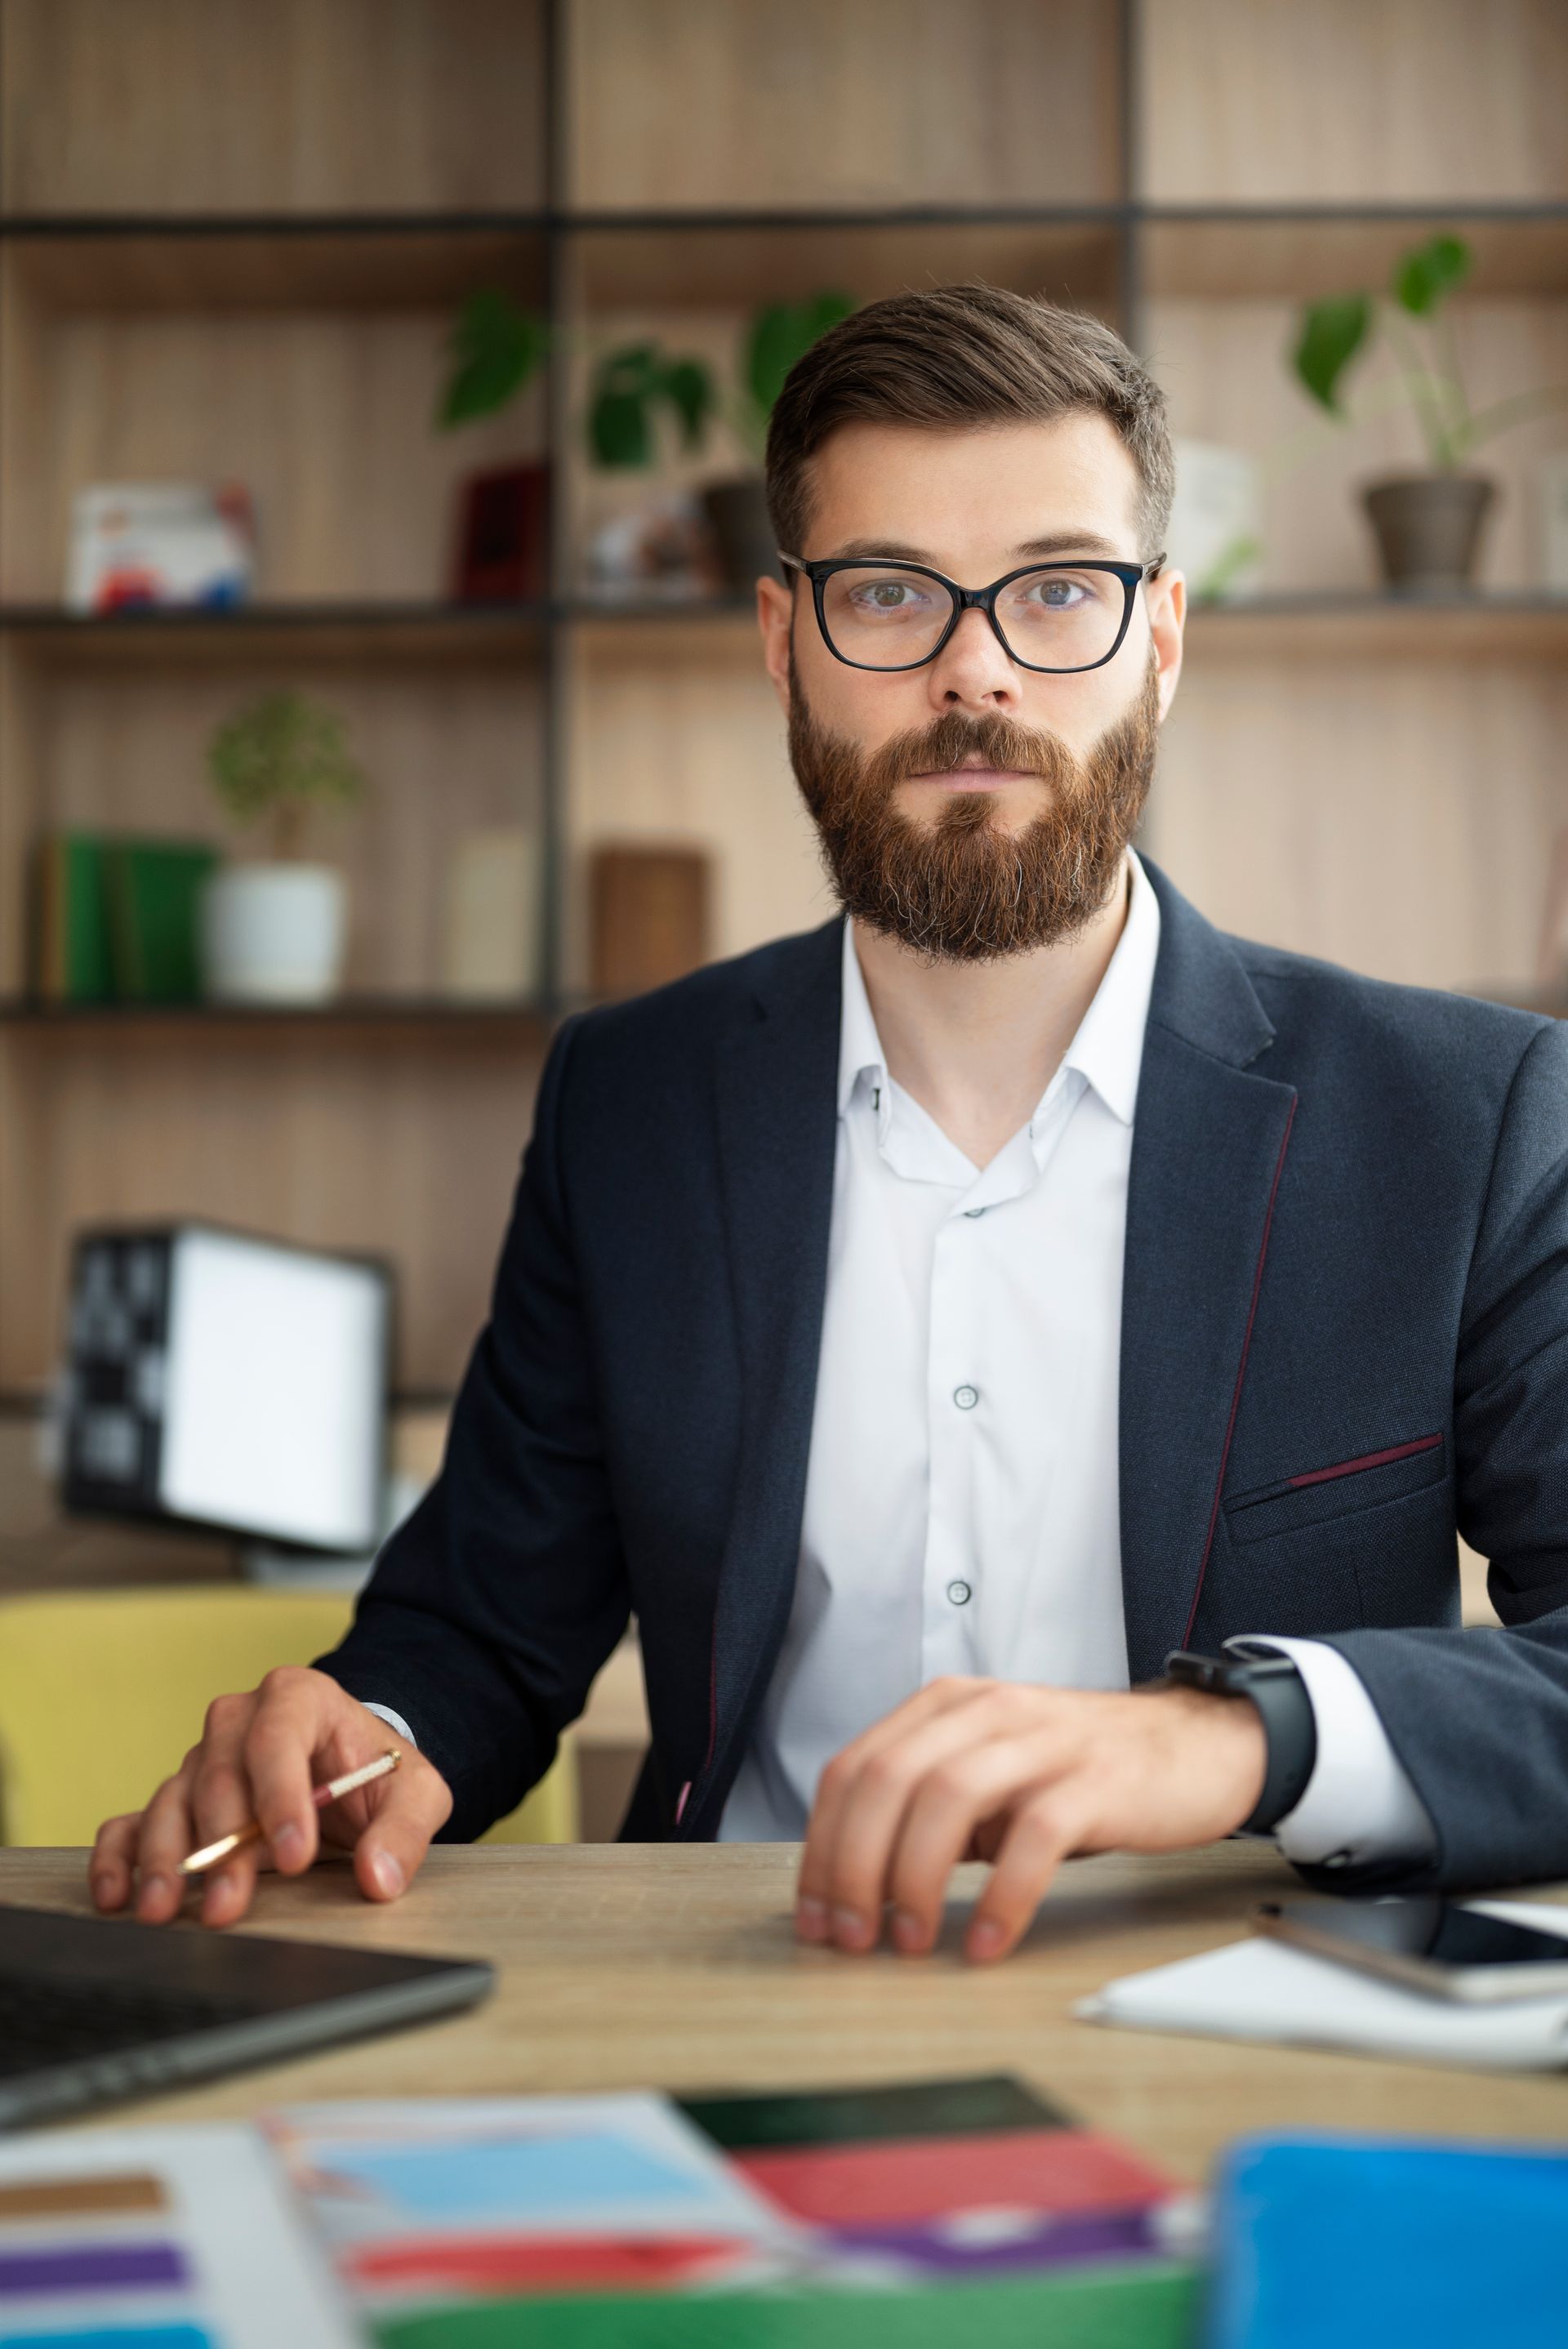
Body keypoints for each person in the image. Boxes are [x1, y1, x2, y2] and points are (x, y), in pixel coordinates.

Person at [91, 286, 1568, 1963]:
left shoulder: (1466, 1119)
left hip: (1238, 2000)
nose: (975, 671)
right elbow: (481, 1636)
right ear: (782, 639)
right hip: (730, 1991)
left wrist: (1232, 1733)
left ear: (1162, 635)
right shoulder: (630, 1102)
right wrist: (359, 1739)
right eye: (887, 593)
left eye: (1060, 590)